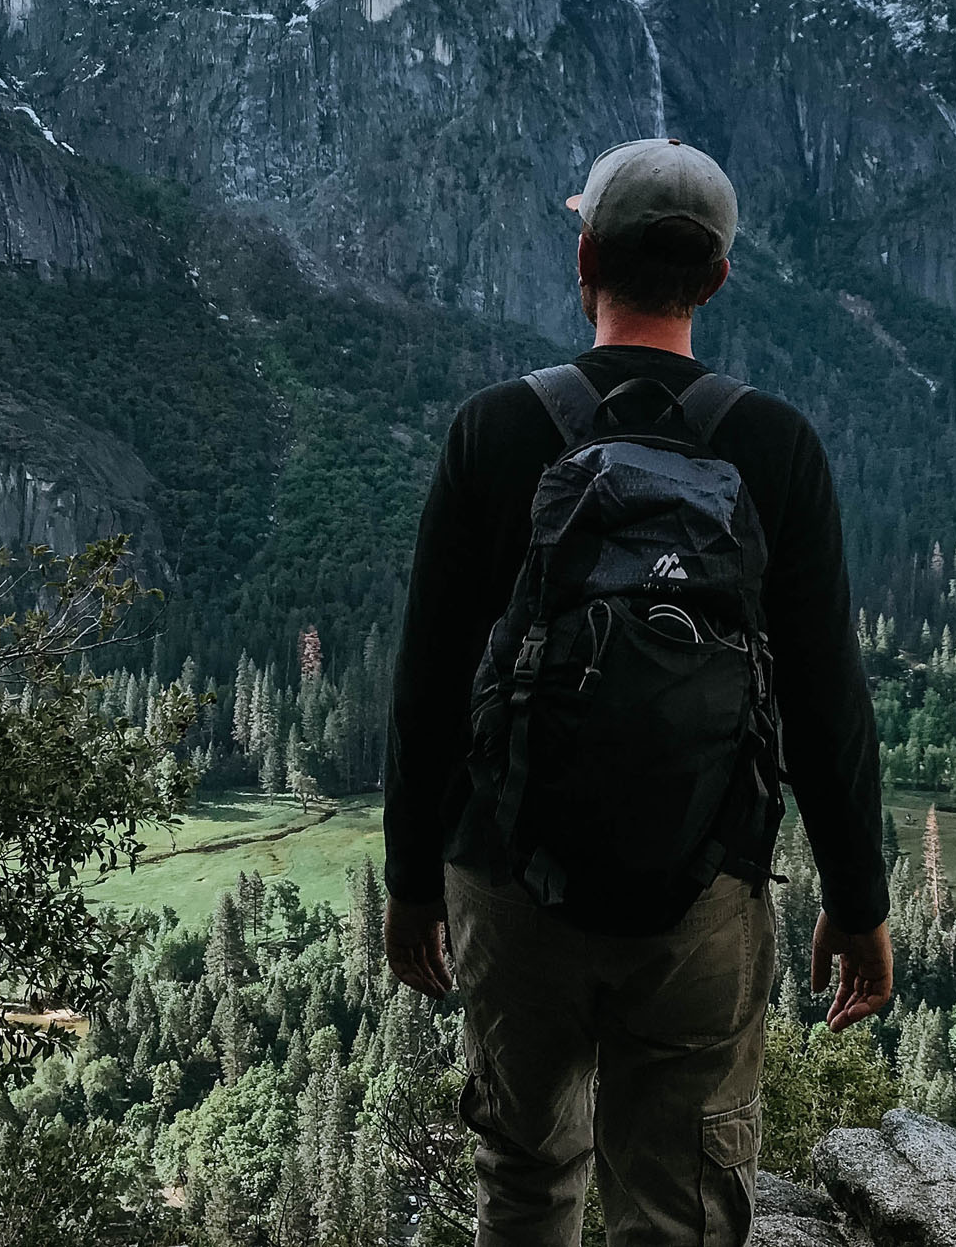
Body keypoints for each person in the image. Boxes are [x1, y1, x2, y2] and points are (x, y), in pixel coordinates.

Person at [383, 137, 893, 1247]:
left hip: (509, 879)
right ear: (717, 277)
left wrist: (412, 884)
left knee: (526, 1177)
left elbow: (427, 683)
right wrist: (859, 903)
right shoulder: (773, 444)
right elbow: (825, 701)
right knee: (680, 1204)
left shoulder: (496, 429)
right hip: (703, 889)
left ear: (585, 260)